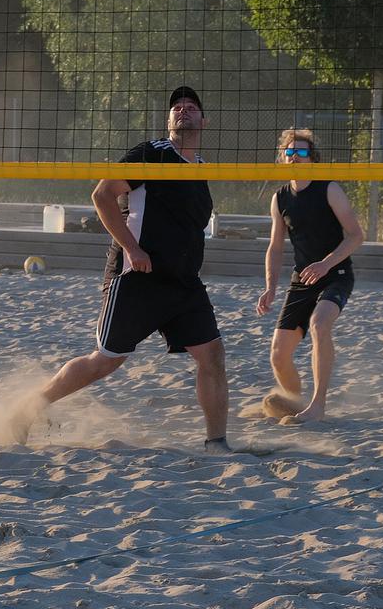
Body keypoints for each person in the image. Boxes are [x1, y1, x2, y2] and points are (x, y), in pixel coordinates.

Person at [13, 86, 232, 454]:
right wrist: (133, 248)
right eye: (176, 107)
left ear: (203, 120)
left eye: (191, 107)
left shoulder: (201, 169)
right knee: (105, 362)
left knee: (212, 356)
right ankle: (28, 409)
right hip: (137, 276)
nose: (183, 111)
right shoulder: (151, 153)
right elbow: (102, 195)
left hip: (183, 284)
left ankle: (216, 443)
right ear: (168, 120)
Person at [255, 129, 364, 424]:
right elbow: (275, 247)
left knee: (319, 325)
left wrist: (326, 264)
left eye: (301, 152)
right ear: (282, 157)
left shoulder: (329, 189)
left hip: (335, 273)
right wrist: (269, 288)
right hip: (302, 279)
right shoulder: (280, 199)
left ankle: (317, 406)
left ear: (311, 158)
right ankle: (294, 402)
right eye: (289, 152)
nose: (294, 157)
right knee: (278, 354)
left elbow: (356, 236)